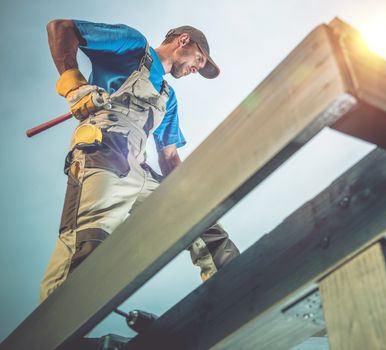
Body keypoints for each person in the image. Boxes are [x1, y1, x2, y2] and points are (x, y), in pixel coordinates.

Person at [39, 19, 239, 302]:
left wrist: (192, 194)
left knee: (201, 222)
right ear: (184, 40)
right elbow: (61, 28)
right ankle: (49, 334)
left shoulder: (168, 98)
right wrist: (75, 86)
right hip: (105, 152)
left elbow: (168, 156)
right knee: (88, 244)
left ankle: (236, 290)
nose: (197, 68)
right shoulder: (133, 45)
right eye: (200, 59)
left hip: (138, 168)